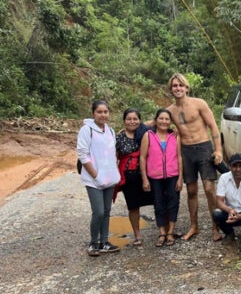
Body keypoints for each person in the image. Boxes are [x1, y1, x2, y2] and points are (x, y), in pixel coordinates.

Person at [158, 73, 224, 242]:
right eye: (174, 86)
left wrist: (218, 151)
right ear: (170, 89)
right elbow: (156, 122)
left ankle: (215, 226)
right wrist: (133, 127)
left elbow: (213, 126)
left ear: (186, 88)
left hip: (203, 147)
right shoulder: (170, 111)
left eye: (181, 85)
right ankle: (194, 226)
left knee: (209, 189)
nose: (178, 88)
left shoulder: (199, 103)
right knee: (192, 190)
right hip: (185, 151)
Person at [77, 100, 121, 256]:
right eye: (99, 112)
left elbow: (112, 153)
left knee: (107, 211)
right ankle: (93, 243)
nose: (103, 115)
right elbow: (82, 154)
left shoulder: (110, 130)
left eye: (105, 112)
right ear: (93, 113)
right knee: (99, 212)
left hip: (109, 178)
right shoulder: (86, 130)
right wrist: (95, 175)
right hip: (93, 179)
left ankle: (104, 242)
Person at [140, 108, 183, 247]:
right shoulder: (148, 135)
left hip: (173, 175)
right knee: (158, 204)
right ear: (156, 120)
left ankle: (171, 232)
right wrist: (145, 178)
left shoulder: (175, 136)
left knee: (173, 202)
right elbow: (142, 157)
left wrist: (180, 177)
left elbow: (180, 157)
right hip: (155, 176)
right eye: (161, 118)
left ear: (170, 122)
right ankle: (162, 232)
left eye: (167, 119)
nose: (164, 121)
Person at [115, 108, 153, 246]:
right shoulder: (118, 138)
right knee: (133, 206)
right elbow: (115, 158)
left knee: (157, 200)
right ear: (124, 121)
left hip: (147, 174)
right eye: (129, 119)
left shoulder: (145, 133)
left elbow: (159, 120)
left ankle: (165, 230)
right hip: (128, 176)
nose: (132, 121)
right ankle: (137, 235)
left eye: (135, 119)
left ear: (140, 120)